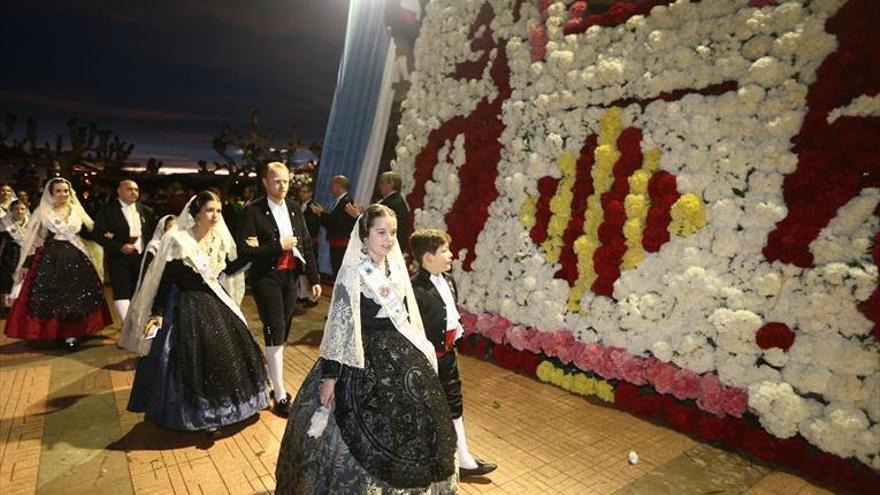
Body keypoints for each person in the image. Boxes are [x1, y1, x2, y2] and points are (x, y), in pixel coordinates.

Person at [275, 204, 457, 494]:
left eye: (393, 233)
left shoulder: (396, 267)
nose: (388, 239)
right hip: (359, 355)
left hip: (399, 353)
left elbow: (406, 317)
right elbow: (340, 326)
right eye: (381, 232)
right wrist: (331, 376)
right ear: (365, 233)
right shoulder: (354, 273)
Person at [125, 191, 269, 439]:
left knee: (221, 355)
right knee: (192, 360)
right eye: (210, 210)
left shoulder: (219, 239)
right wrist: (158, 312)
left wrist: (248, 252)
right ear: (196, 214)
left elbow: (228, 269)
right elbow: (166, 279)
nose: (215, 216)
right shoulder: (178, 240)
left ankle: (227, 410)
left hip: (216, 302)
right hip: (186, 305)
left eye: (219, 211)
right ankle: (204, 417)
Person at [410, 229, 498, 479]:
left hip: (447, 355)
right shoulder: (415, 290)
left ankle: (464, 459)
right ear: (427, 258)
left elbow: (451, 315)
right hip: (426, 361)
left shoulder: (448, 280)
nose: (451, 256)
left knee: (454, 404)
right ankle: (423, 460)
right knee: (425, 408)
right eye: (444, 251)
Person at [237, 162, 321, 417]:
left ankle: (271, 381)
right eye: (276, 181)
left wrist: (313, 278)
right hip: (266, 278)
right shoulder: (252, 211)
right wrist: (278, 246)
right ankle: (281, 394)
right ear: (264, 182)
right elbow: (246, 251)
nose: (282, 186)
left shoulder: (295, 208)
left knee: (281, 331)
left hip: (290, 278)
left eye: (285, 181)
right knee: (274, 329)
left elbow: (305, 244)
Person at [4, 178, 112, 350]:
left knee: (76, 297)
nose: (63, 194)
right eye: (58, 191)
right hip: (52, 259)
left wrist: (106, 235)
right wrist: (26, 263)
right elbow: (35, 240)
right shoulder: (43, 212)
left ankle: (72, 334)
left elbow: (89, 231)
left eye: (66, 191)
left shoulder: (77, 211)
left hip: (77, 258)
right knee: (54, 298)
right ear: (51, 193)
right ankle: (55, 332)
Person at [93, 180, 155, 325]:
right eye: (129, 189)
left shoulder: (147, 211)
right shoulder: (107, 210)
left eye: (136, 189)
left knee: (139, 291)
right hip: (118, 257)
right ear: (119, 191)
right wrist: (118, 246)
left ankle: (138, 324)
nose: (133, 192)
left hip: (141, 257)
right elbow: (98, 234)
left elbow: (152, 234)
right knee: (121, 292)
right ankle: (128, 327)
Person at [115, 214, 176, 353]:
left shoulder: (176, 247)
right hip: (153, 287)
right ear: (163, 230)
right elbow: (147, 271)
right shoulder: (155, 246)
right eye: (170, 228)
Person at [309, 175, 357, 277]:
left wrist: (322, 213)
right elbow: (332, 222)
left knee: (339, 271)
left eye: (332, 185)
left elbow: (338, 223)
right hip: (336, 241)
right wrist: (321, 214)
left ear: (339, 185)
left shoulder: (346, 201)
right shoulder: (340, 200)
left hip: (341, 242)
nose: (331, 187)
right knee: (336, 269)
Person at [0, 200, 29, 307]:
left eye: (22, 209)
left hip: (26, 255)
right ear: (11, 211)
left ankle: (19, 306)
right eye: (16, 209)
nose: (19, 211)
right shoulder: (4, 224)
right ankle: (7, 305)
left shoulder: (31, 223)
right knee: (7, 279)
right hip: (9, 255)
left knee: (23, 280)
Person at [297, 183, 321, 308]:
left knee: (311, 268)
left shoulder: (314, 206)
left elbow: (313, 225)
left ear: (310, 193)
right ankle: (303, 295)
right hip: (300, 242)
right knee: (301, 269)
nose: (302, 194)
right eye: (301, 191)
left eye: (305, 191)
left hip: (310, 241)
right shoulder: (299, 206)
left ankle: (313, 297)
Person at [377, 171, 411, 255]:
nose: (379, 186)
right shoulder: (396, 200)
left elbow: (375, 223)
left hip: (387, 248)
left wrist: (358, 215)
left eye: (382, 182)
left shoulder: (390, 203)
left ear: (391, 184)